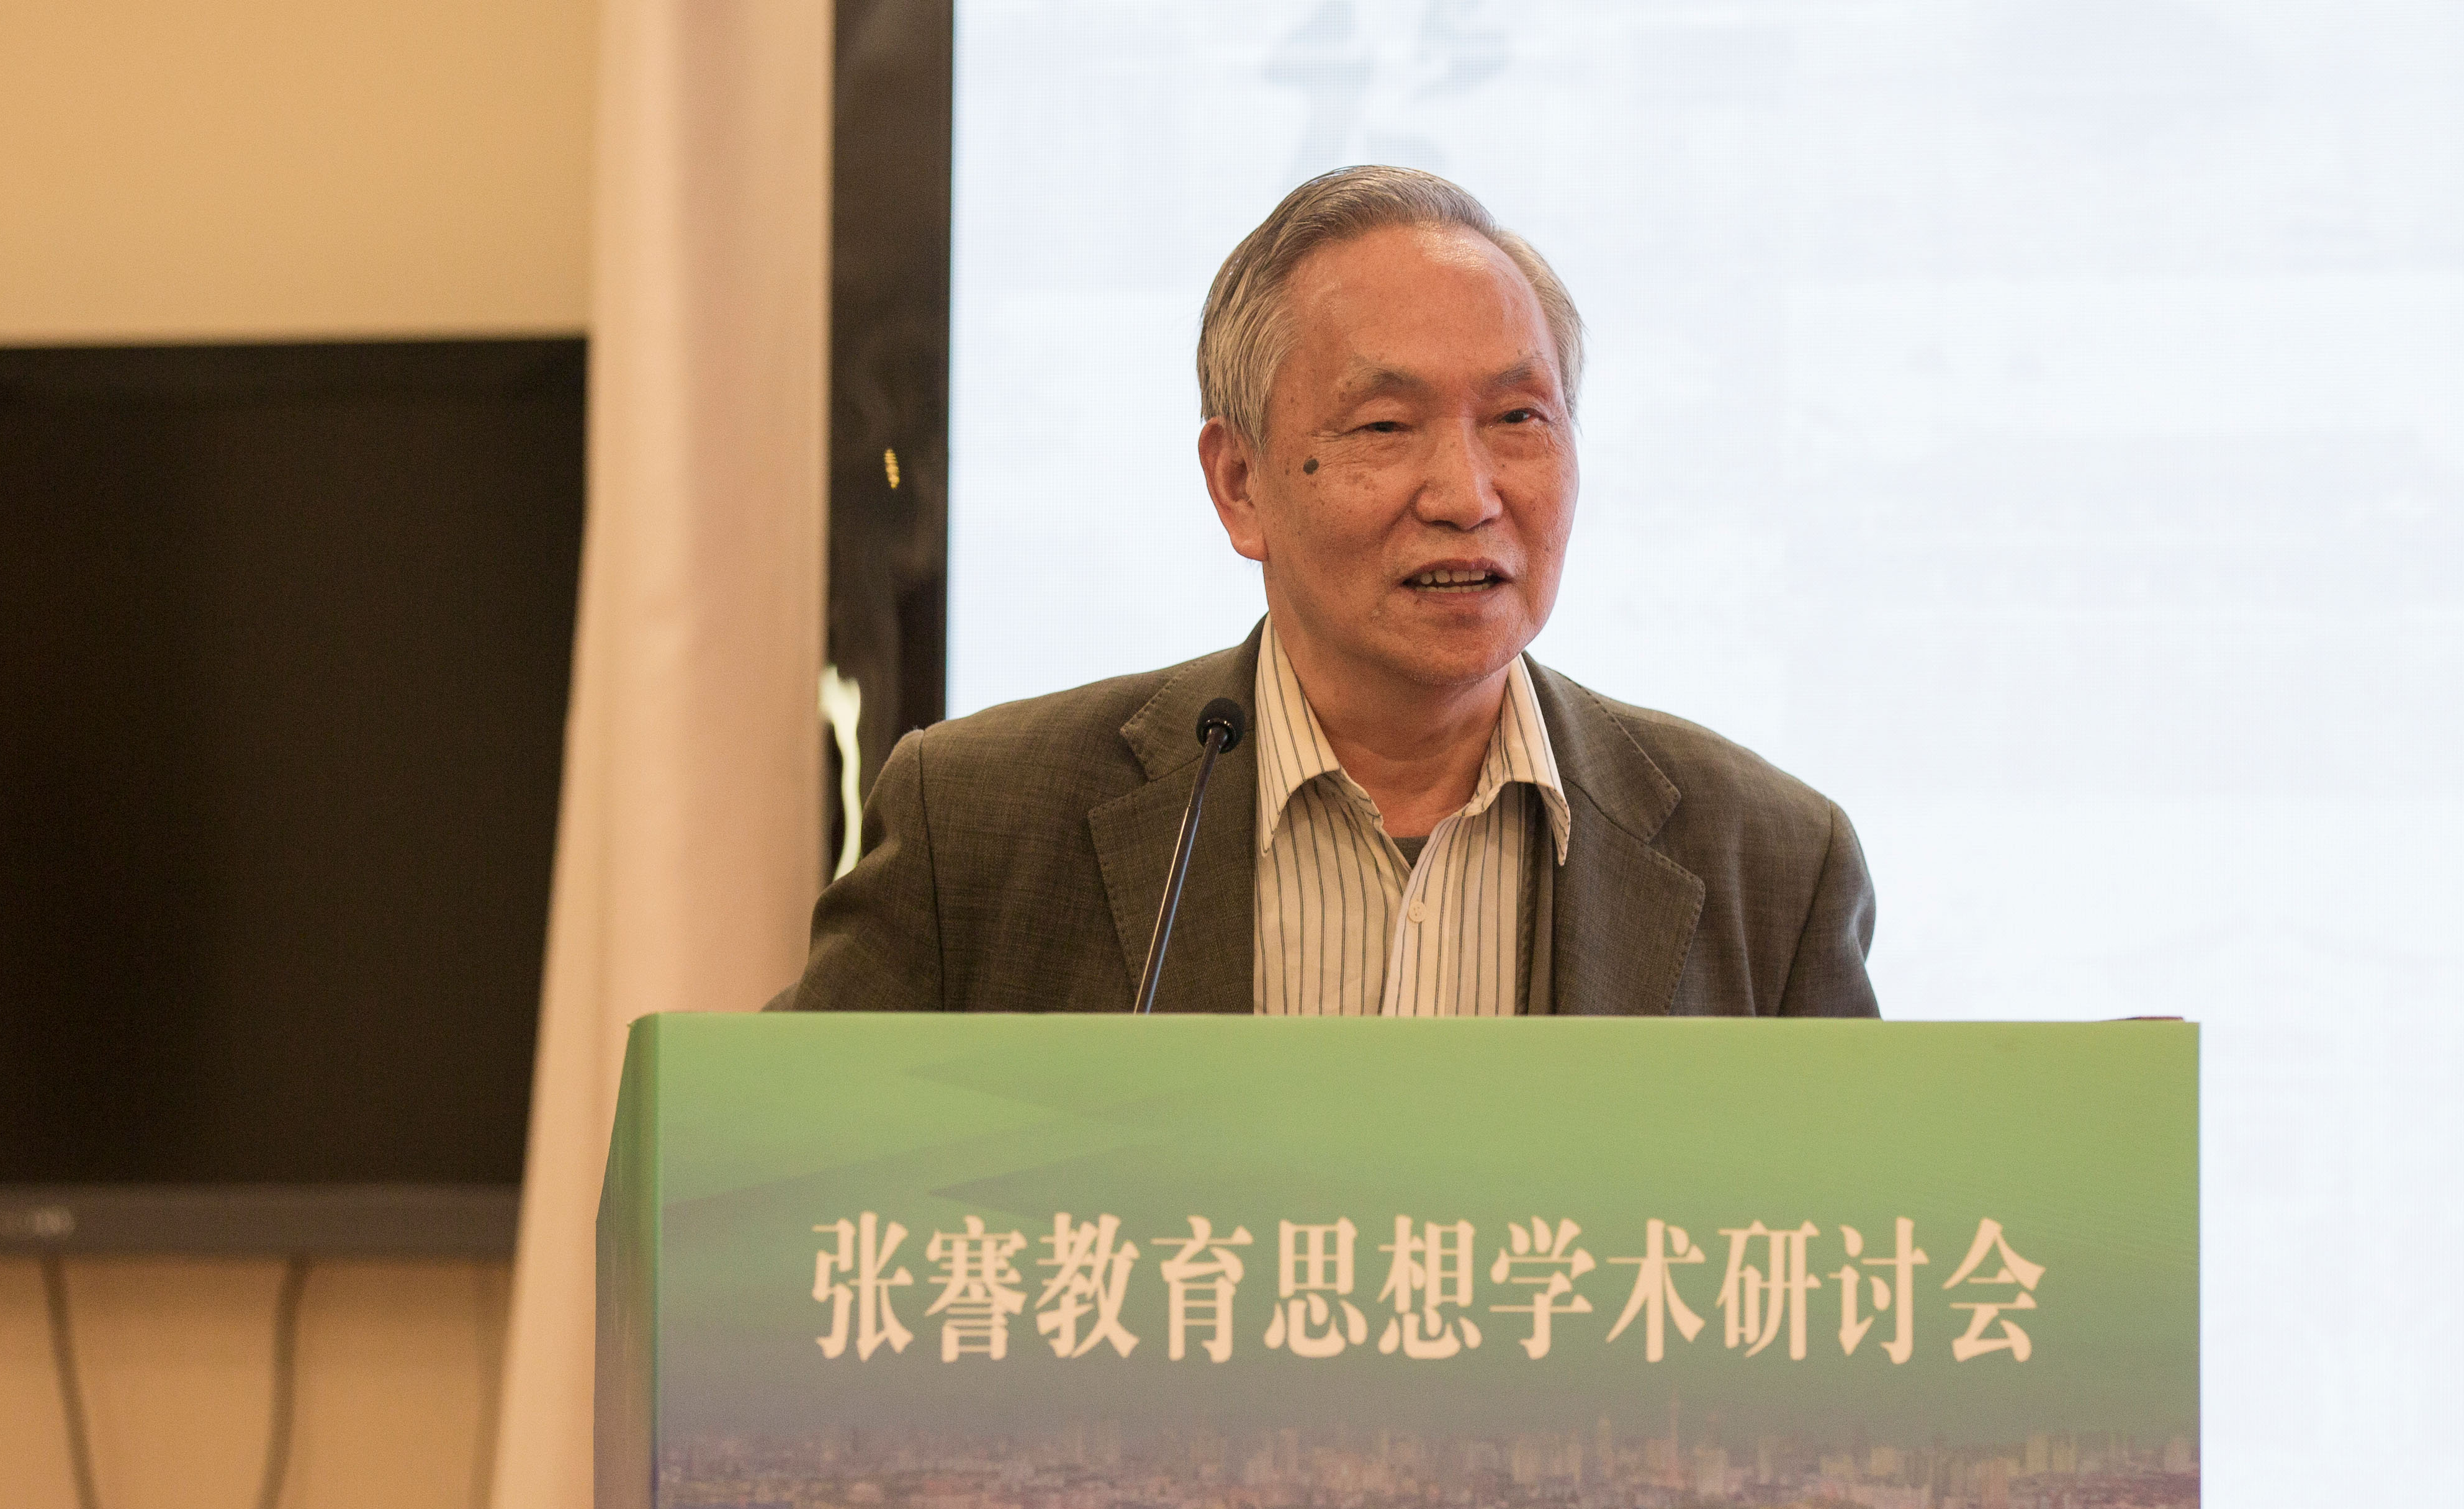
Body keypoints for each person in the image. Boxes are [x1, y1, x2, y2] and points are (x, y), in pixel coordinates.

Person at [776, 166, 1874, 1016]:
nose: (1468, 494)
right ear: (1239, 482)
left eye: (1519, 419)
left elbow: (1856, 1228)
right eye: (1385, 426)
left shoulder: (1770, 865)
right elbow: (773, 1186)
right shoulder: (979, 828)